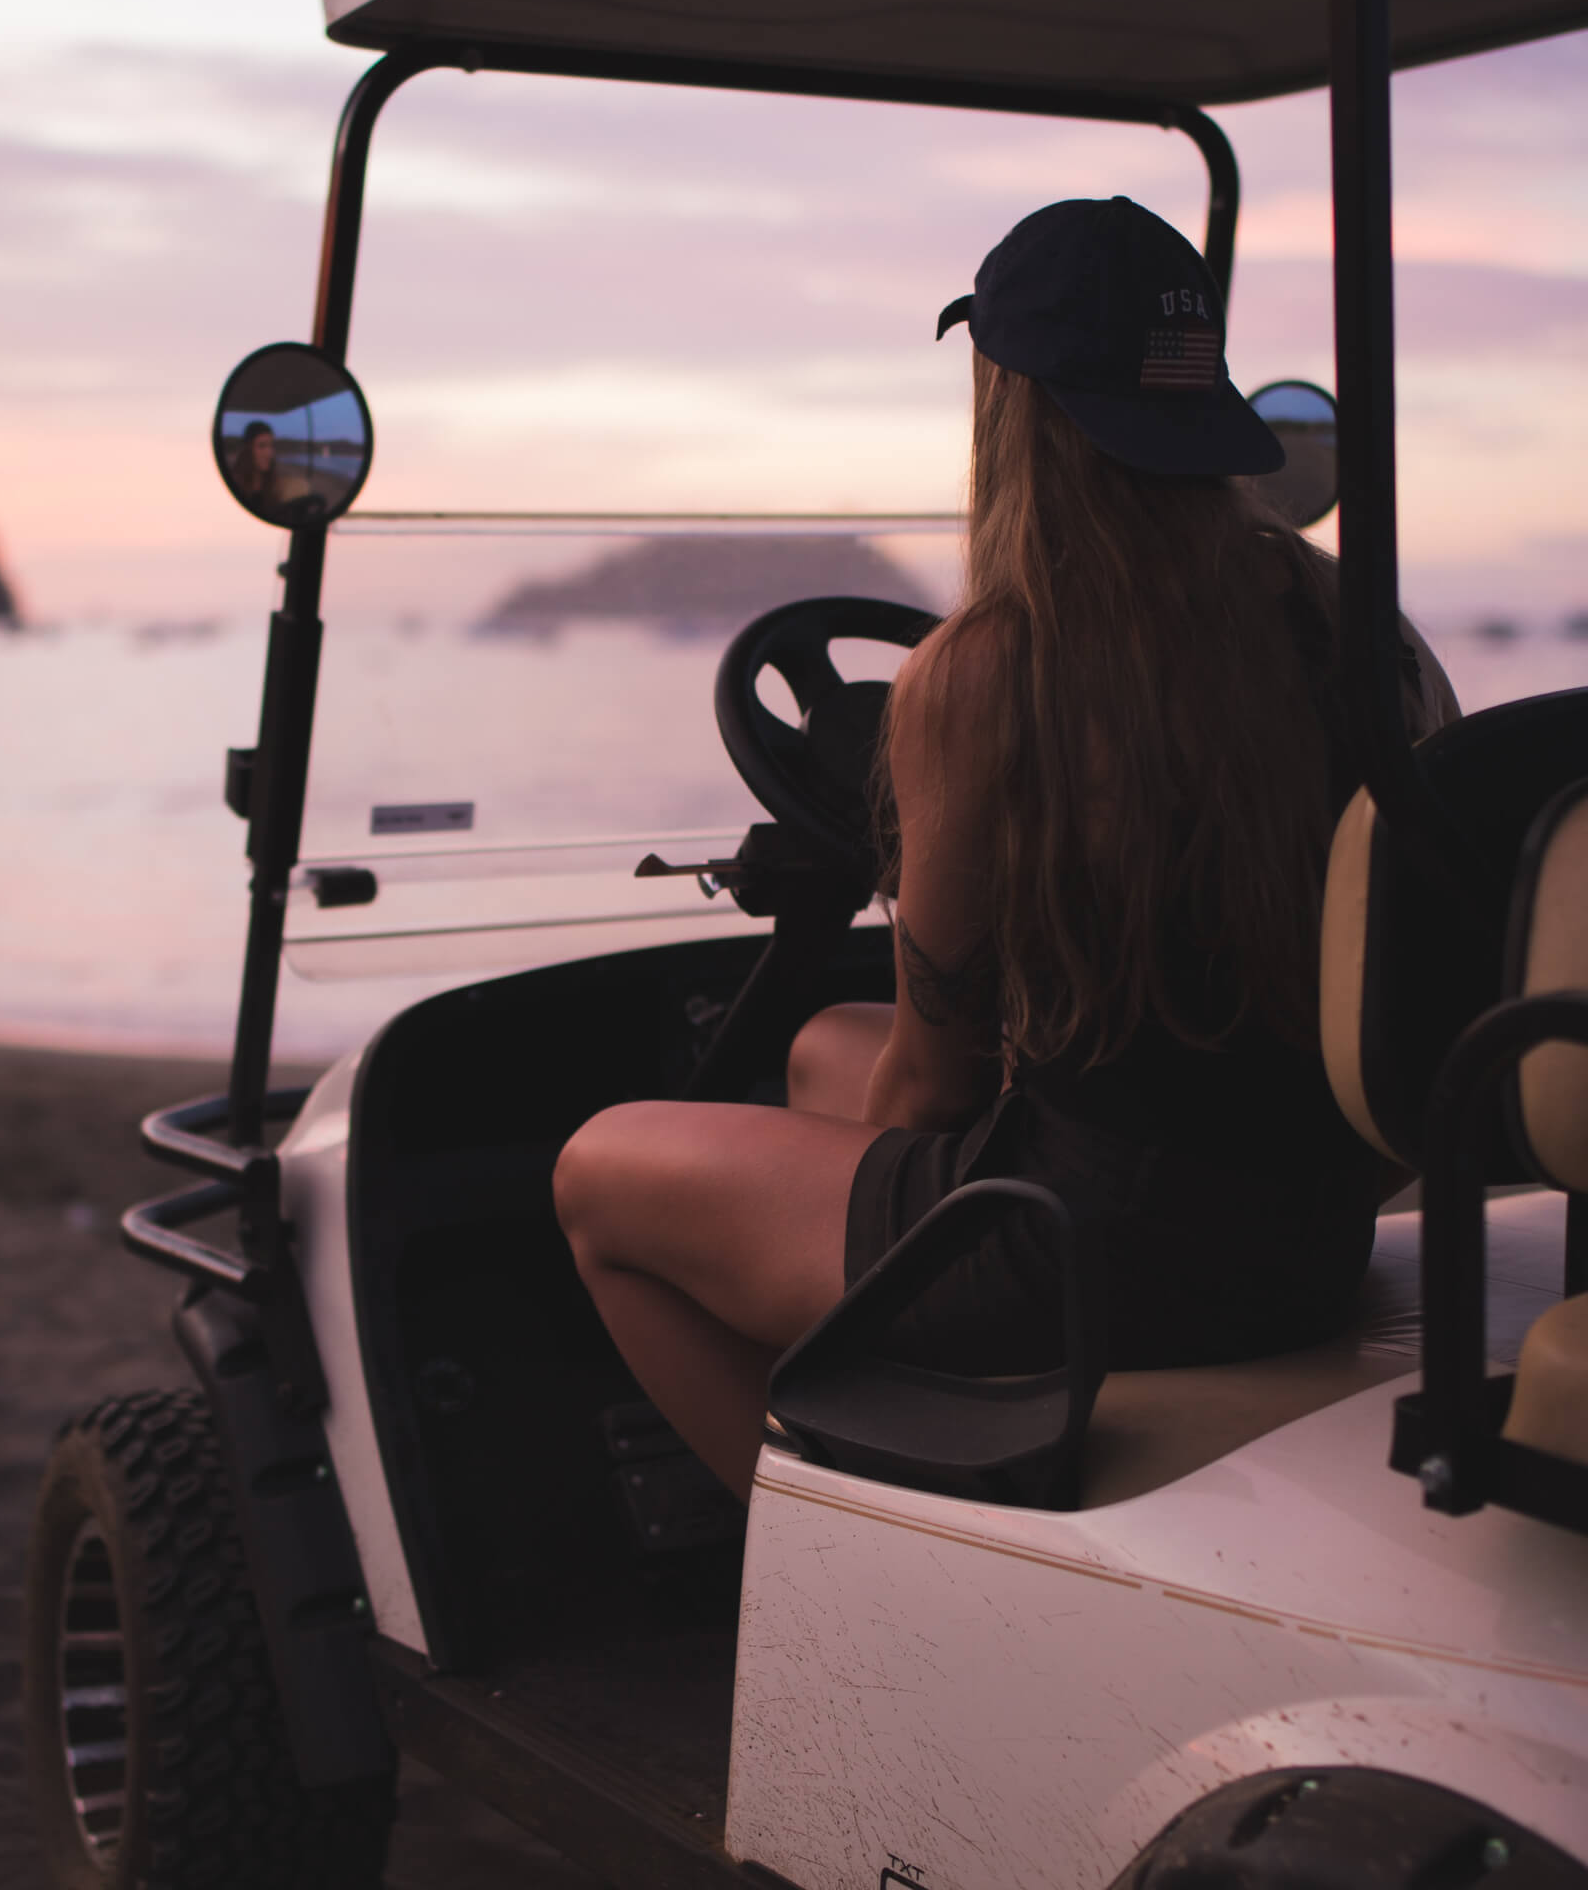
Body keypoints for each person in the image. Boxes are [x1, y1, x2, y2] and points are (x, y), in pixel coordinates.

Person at [553, 196, 1457, 1504]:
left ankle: (819, 1578)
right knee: (816, 1051)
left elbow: (932, 1088)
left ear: (1011, 401)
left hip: (1094, 1253)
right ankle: (915, 1435)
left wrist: (865, 1196)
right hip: (1306, 1235)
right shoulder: (1342, 626)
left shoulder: (986, 677)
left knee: (603, 1175)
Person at [227, 420, 313, 518]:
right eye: (262, 446)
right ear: (247, 449)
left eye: (271, 446)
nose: (269, 453)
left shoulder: (274, 484)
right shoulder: (234, 483)